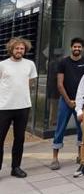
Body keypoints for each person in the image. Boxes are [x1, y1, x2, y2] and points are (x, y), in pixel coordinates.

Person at [50, 37, 84, 170]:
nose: (77, 49)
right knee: (60, 128)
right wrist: (68, 101)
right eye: (75, 46)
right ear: (71, 48)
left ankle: (80, 155)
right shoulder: (63, 62)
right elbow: (59, 84)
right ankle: (55, 158)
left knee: (82, 129)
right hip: (65, 101)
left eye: (79, 47)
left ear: (83, 48)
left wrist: (82, 100)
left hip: (81, 102)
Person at [0, 38, 37, 179]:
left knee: (19, 139)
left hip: (23, 107)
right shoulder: (2, 65)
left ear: (25, 50)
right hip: (4, 107)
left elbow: (30, 83)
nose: (19, 51)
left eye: (22, 48)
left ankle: (16, 168)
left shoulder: (30, 64)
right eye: (17, 48)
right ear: (11, 49)